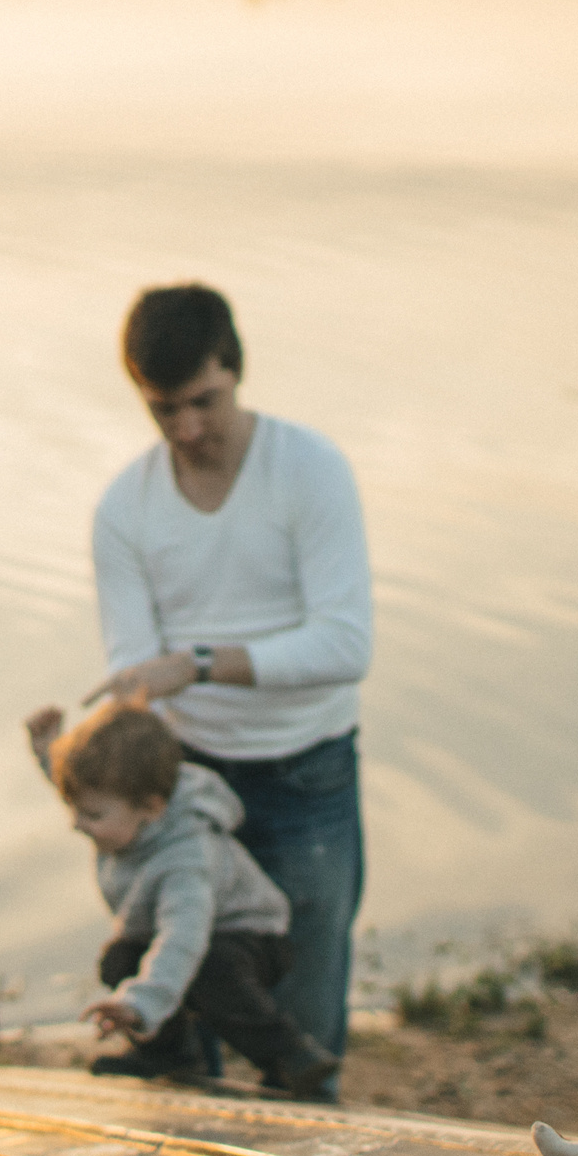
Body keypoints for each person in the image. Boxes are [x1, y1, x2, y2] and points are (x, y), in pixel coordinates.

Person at [88, 283, 371, 1092]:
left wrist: (199, 663)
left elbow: (346, 645)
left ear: (235, 369)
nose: (188, 428)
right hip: (182, 783)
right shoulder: (124, 507)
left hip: (307, 774)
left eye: (204, 401)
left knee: (303, 1031)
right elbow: (136, 676)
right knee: (179, 1015)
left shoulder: (309, 469)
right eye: (163, 408)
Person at [24, 697, 338, 1097]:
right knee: (121, 957)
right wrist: (49, 747)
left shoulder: (186, 858)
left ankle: (288, 1059)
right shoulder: (128, 803)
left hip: (249, 936)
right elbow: (85, 788)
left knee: (213, 970)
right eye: (75, 810)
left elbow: (182, 940)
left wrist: (140, 1006)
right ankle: (167, 1052)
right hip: (185, 929)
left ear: (151, 808)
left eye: (92, 817)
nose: (76, 825)